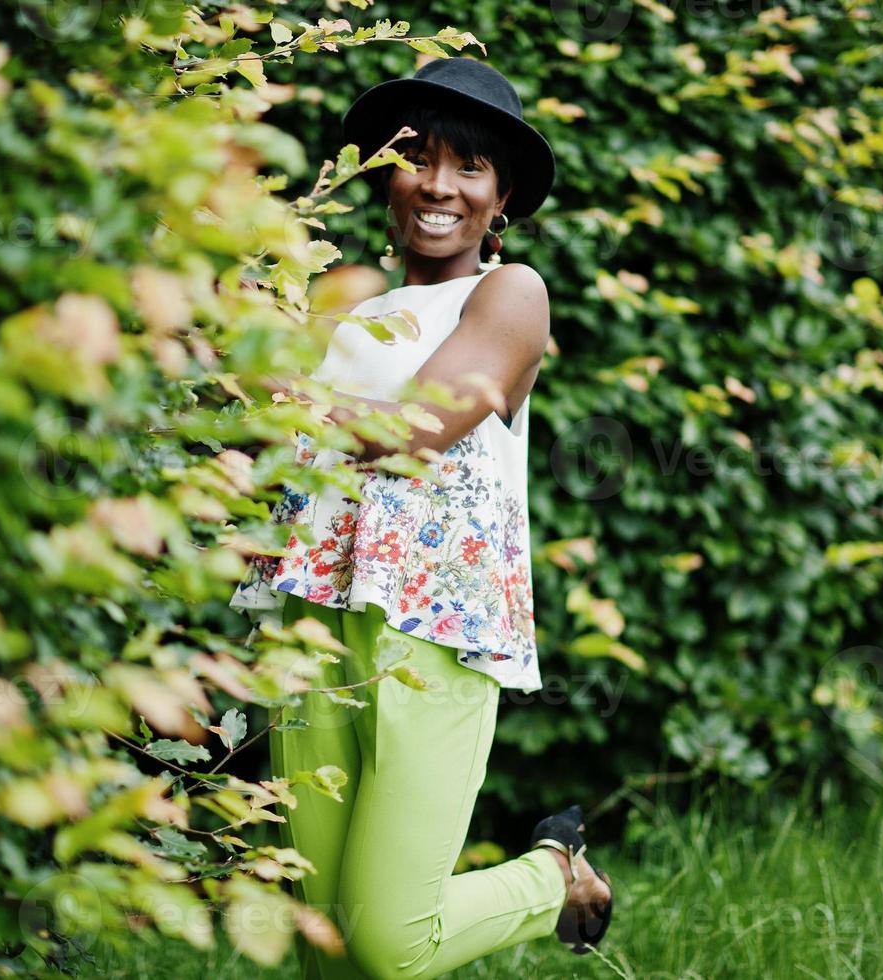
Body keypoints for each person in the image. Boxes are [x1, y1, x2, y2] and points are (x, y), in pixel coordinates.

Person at [229, 57, 614, 979]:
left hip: (433, 629)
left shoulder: (507, 293)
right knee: (326, 934)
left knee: (390, 942)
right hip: (313, 618)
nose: (438, 185)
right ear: (382, 175)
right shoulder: (345, 301)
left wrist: (266, 382)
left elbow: (408, 432)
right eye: (417, 159)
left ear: (502, 195)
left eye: (467, 167)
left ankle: (551, 876)